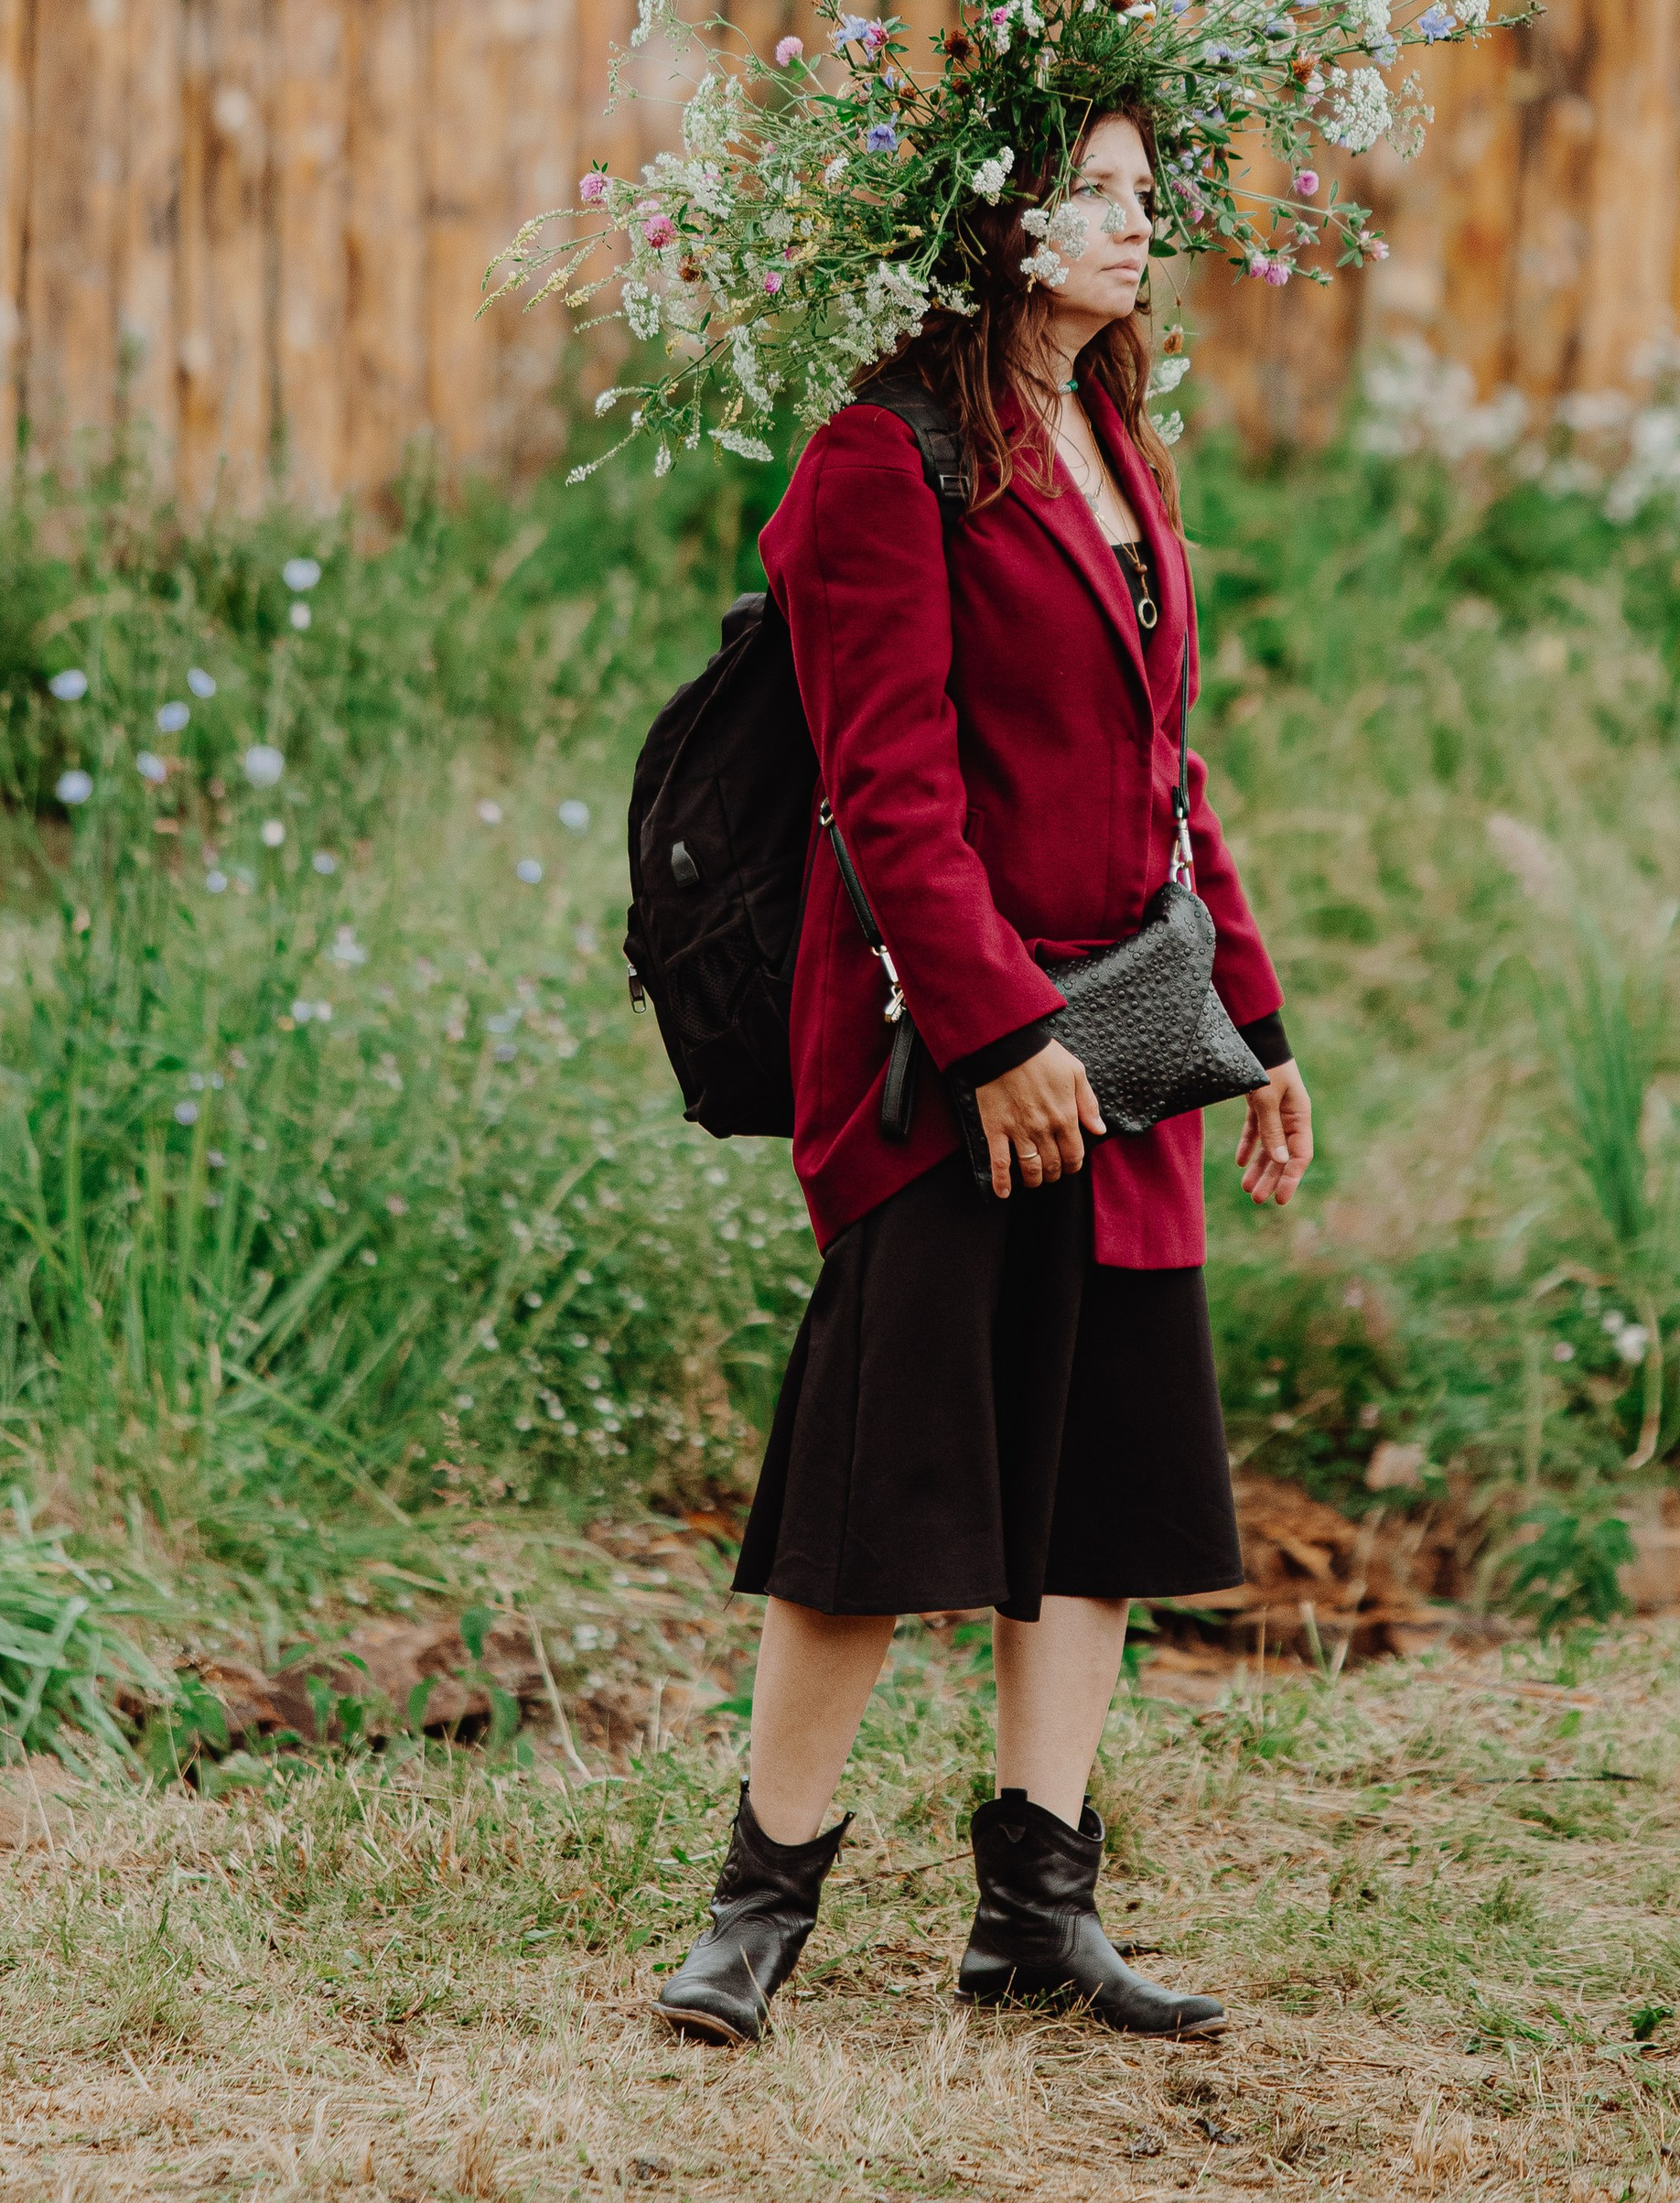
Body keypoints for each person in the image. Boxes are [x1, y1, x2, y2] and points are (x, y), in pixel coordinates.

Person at [653, 103, 1314, 2048]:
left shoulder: (1118, 445)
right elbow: (884, 787)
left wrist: (1253, 1029)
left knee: (1092, 1490)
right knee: (884, 1480)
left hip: (1130, 1041)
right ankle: (756, 1905)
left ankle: (1035, 1909)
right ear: (991, 225)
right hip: (942, 1059)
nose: (1133, 224)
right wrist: (998, 1035)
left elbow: (1168, 773)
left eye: (1136, 193)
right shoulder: (885, 462)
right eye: (1089, 195)